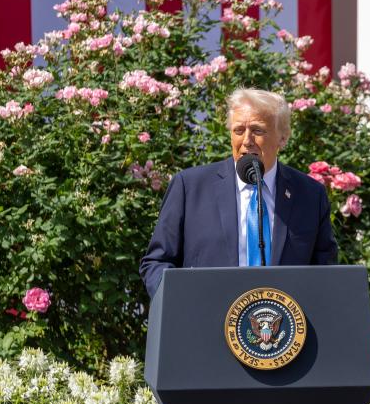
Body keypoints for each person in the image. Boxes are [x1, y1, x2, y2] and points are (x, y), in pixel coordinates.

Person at [139, 88, 338, 298]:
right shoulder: (190, 187)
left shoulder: (310, 195)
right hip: (206, 315)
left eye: (258, 130)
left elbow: (325, 272)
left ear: (283, 138)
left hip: (284, 318)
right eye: (239, 130)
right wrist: (179, 303)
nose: (247, 140)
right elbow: (157, 263)